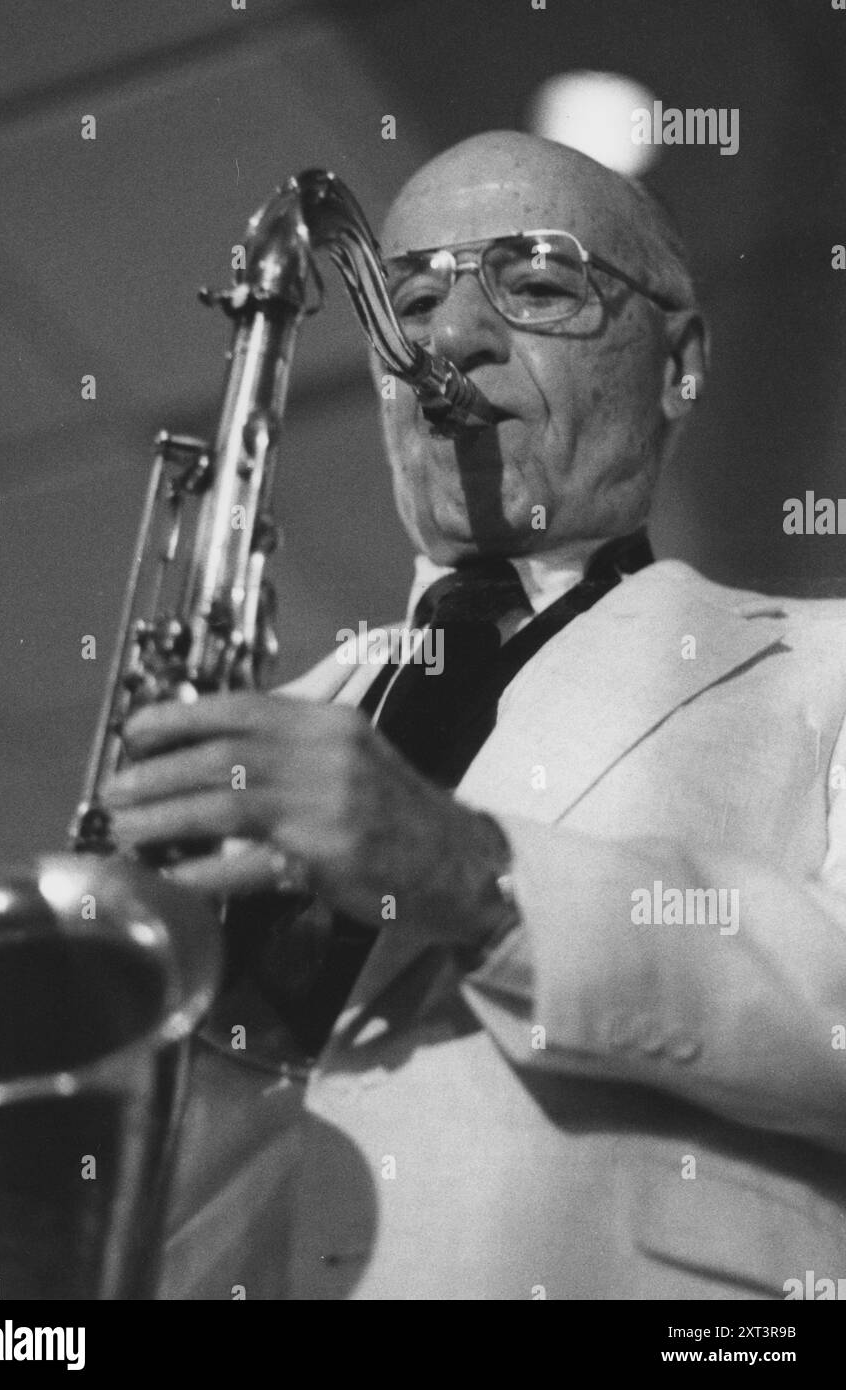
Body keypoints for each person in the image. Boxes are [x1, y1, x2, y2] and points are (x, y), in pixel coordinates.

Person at [106, 131, 846, 1300]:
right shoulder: (258, 726)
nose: (446, 339)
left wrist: (472, 873)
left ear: (678, 363)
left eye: (538, 283)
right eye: (410, 298)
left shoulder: (824, 666)